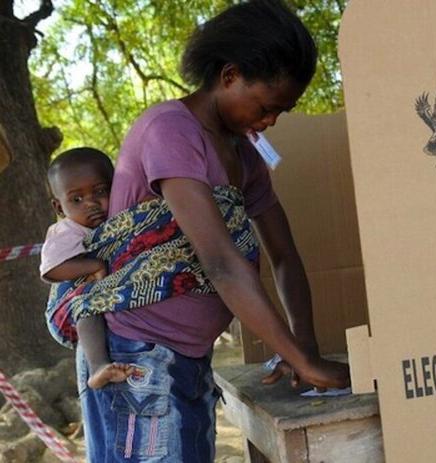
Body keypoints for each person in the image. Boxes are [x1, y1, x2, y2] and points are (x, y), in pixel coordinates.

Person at [79, 1, 349, 461]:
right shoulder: (169, 131)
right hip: (138, 356)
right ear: (230, 75)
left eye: (281, 113)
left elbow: (284, 255)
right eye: (266, 107)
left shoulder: (244, 155)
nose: (270, 122)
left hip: (189, 356)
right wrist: (303, 361)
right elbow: (221, 263)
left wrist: (302, 344)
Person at [40, 147, 134, 389]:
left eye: (100, 191)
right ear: (59, 208)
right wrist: (94, 265)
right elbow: (51, 269)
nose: (91, 203)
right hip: (65, 311)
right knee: (87, 304)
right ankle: (98, 367)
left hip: (95, 302)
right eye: (77, 199)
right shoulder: (65, 231)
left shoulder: (117, 220)